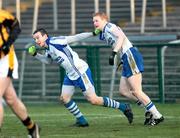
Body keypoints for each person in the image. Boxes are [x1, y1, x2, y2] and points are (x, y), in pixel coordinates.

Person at [28, 28, 133, 127]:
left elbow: (75, 37)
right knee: (64, 98)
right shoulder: (47, 48)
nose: (36, 41)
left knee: (93, 100)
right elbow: (48, 61)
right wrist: (35, 54)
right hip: (70, 75)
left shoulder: (56, 41)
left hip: (81, 72)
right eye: (34, 39)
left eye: (38, 37)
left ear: (45, 36)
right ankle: (81, 121)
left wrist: (92, 33)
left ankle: (124, 107)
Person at [92, 12, 164, 126]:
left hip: (130, 55)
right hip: (125, 58)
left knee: (136, 91)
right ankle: (147, 110)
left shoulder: (109, 26)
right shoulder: (104, 32)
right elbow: (117, 41)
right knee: (123, 91)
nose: (94, 23)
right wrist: (121, 59)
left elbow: (121, 37)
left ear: (104, 20)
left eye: (97, 20)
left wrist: (114, 53)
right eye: (93, 21)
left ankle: (157, 115)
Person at [0, 9, 40, 137]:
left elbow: (16, 26)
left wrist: (8, 43)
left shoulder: (2, 15)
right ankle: (33, 128)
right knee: (11, 99)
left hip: (5, 61)